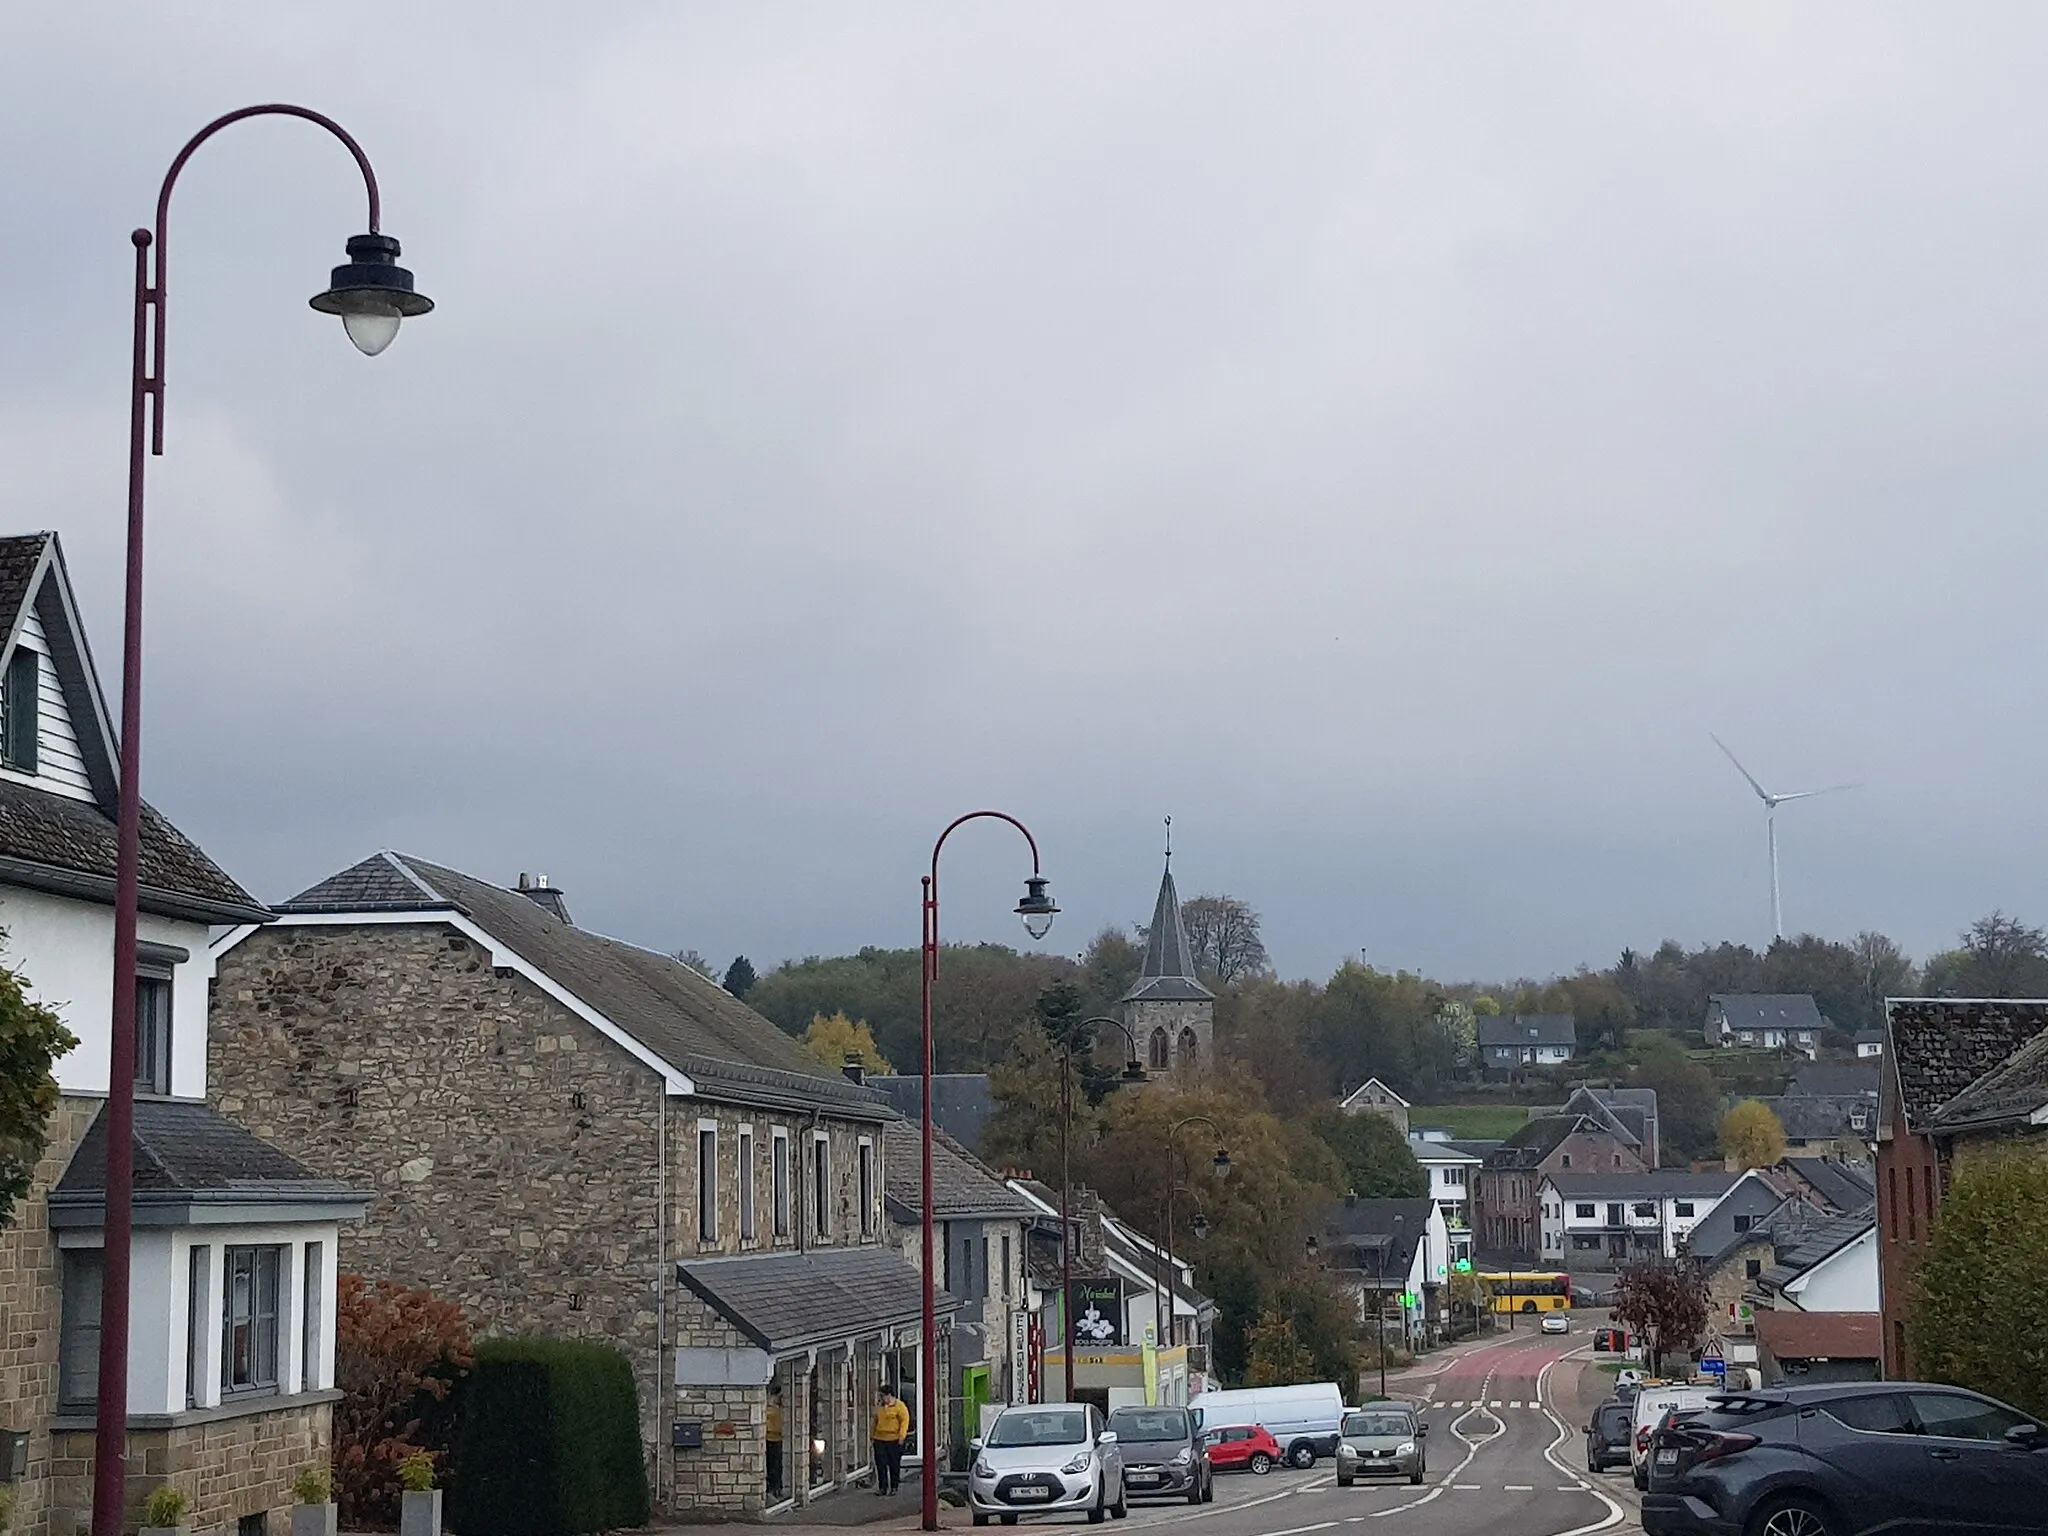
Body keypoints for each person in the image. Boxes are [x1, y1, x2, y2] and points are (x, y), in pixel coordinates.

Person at [871, 1386, 910, 1496]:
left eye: (882, 1396)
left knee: (894, 1464)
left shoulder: (899, 1406)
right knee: (881, 1464)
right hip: (879, 1438)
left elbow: (904, 1422)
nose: (881, 1398)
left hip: (894, 1439)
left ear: (889, 1395)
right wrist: (872, 1435)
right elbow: (875, 1421)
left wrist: (902, 1436)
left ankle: (894, 1486)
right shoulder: (880, 1407)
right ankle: (882, 1487)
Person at [765, 1383, 784, 1499]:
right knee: (773, 1465)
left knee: (776, 1465)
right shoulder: (772, 1410)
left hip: (775, 1439)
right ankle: (774, 1487)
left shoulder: (774, 1410)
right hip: (771, 1439)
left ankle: (776, 1487)